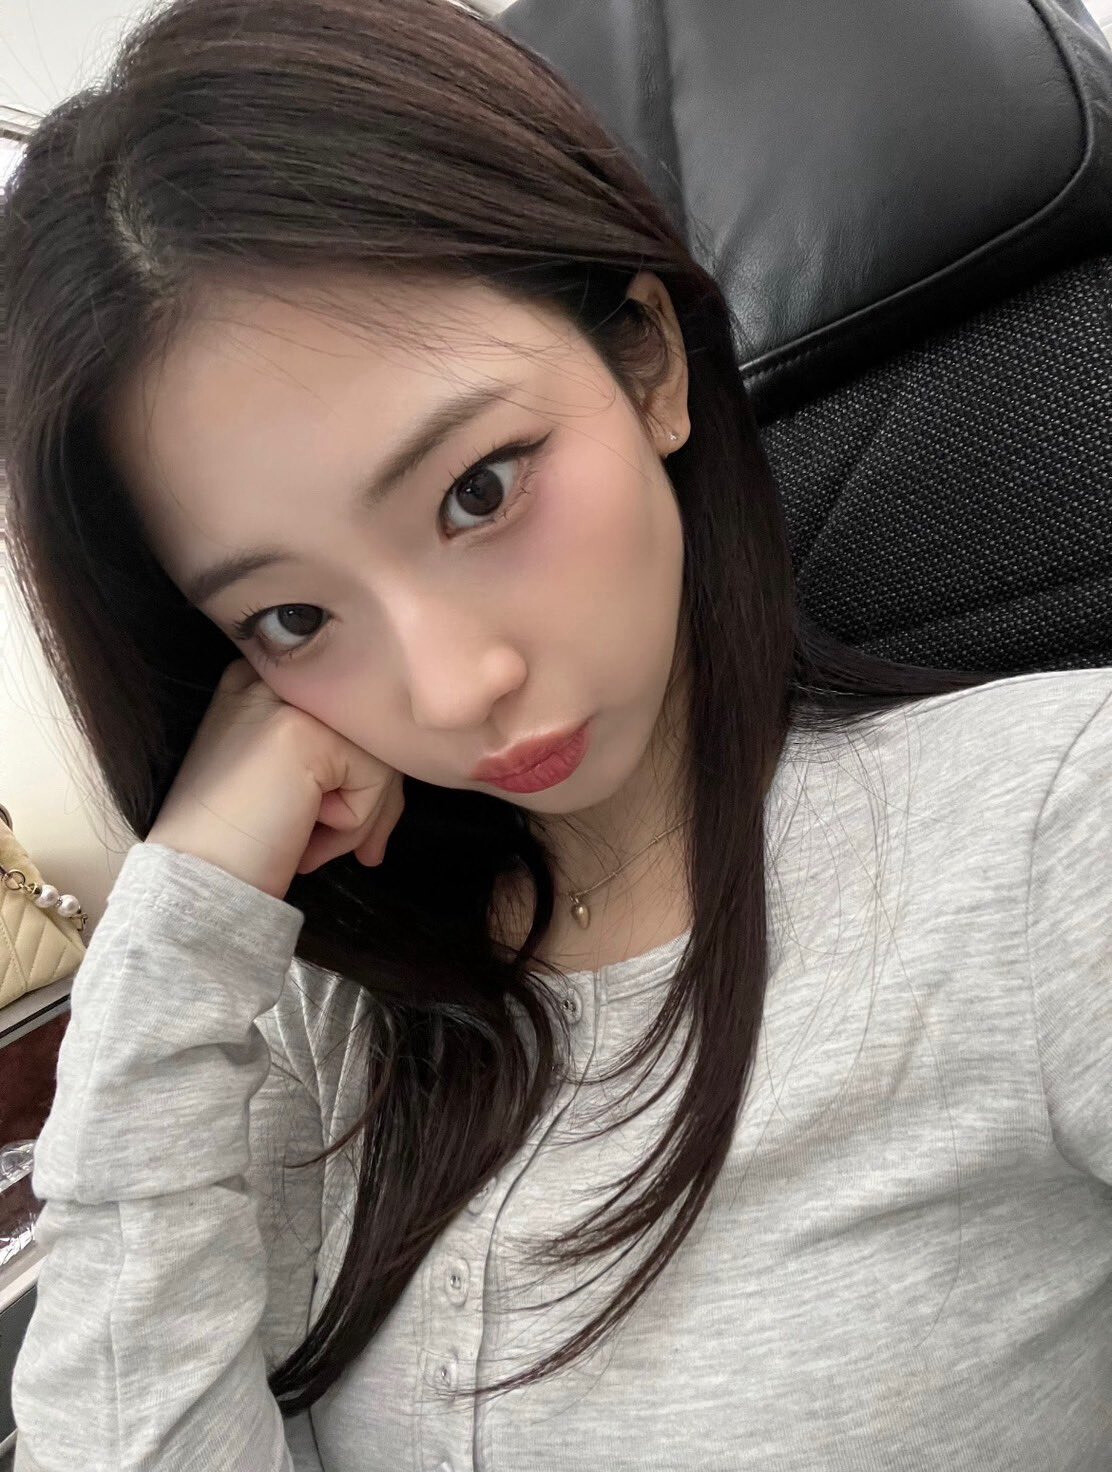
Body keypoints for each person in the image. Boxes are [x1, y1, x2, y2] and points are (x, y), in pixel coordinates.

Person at [3, 0, 1109, 1467]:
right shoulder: (300, 1013)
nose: (454, 687)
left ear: (648, 361)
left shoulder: (1053, 838)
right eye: (292, 616)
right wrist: (182, 914)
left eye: (480, 490)